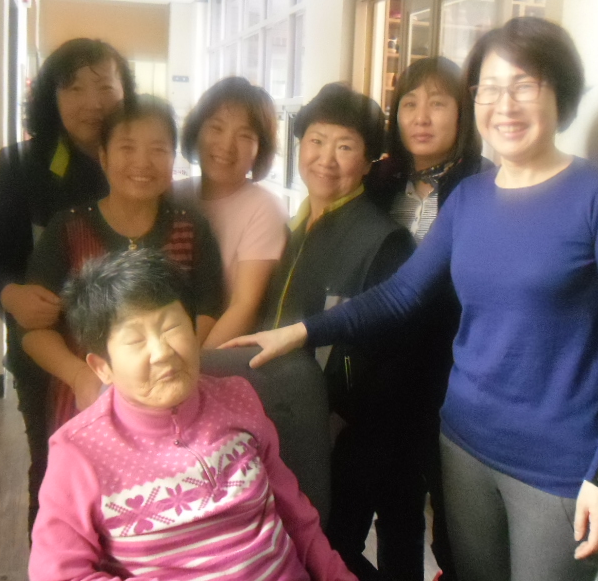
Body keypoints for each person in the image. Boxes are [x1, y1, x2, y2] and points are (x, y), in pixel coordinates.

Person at [226, 18, 598, 581]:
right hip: (464, 444)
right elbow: (403, 293)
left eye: (523, 86)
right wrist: (300, 331)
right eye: (489, 89)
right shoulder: (470, 199)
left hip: (557, 466)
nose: (504, 105)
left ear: (560, 92)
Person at [29, 249, 355, 581]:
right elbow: (59, 574)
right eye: (136, 340)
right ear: (102, 367)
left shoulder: (238, 398)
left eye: (171, 327)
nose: (162, 352)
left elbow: (296, 514)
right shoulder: (79, 452)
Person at [0, 37, 136, 531]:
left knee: (131, 477)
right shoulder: (21, 168)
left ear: (126, 92)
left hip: (130, 357)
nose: (92, 102)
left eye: (105, 87)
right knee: (55, 478)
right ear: (51, 98)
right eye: (74, 88)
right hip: (47, 357)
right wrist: (12, 295)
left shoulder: (139, 163)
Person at [258, 83, 421, 581]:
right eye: (316, 141)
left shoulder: (385, 241)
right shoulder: (293, 226)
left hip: (342, 438)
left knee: (329, 551)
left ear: (368, 162)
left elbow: (388, 360)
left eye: (345, 146)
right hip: (281, 420)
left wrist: (334, 422)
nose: (326, 158)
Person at [22, 95, 226, 434]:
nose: (142, 162)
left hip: (174, 397)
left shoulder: (191, 228)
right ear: (103, 156)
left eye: (158, 149)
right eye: (127, 148)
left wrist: (175, 361)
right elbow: (33, 330)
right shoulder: (68, 229)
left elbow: (209, 310)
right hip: (86, 400)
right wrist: (79, 375)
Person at [364, 56, 491, 581]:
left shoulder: (483, 184)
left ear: (462, 114)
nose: (421, 117)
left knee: (455, 515)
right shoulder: (379, 183)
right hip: (386, 370)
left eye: (438, 103)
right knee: (395, 505)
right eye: (410, 104)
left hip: (454, 370)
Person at [175, 76, 288, 348]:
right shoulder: (173, 195)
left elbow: (244, 308)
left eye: (245, 135)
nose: (226, 145)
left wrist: (196, 364)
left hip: (220, 358)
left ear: (260, 149)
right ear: (197, 131)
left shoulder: (264, 208)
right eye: (216, 127)